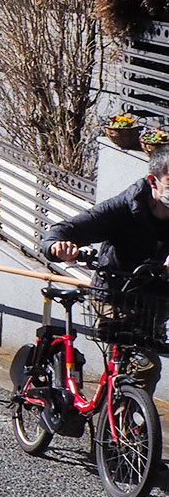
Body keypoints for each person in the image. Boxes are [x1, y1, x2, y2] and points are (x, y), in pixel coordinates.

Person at [44, 146, 169, 388]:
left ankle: (122, 417)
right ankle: (117, 420)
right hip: (114, 295)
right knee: (145, 366)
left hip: (154, 305)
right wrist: (57, 247)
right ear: (153, 181)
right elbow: (69, 228)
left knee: (142, 371)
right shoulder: (125, 207)